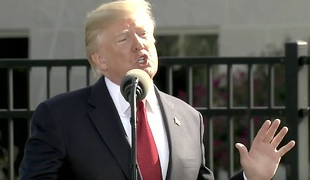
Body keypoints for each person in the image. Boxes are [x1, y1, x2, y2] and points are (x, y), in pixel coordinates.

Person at [19, 0, 295, 179]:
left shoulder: (188, 117)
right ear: (99, 59)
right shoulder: (61, 116)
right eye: (124, 38)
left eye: (144, 34)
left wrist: (250, 178)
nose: (139, 44)